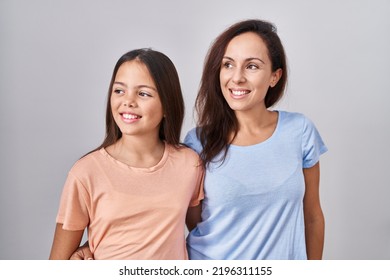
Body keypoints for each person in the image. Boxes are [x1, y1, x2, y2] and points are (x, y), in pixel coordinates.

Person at [183, 19, 327, 260]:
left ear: (274, 76)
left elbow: (312, 216)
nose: (237, 77)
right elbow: (193, 221)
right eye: (228, 64)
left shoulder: (300, 131)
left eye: (252, 66)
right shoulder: (198, 142)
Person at [49, 48, 204, 260]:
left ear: (167, 104)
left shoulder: (189, 164)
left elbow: (205, 234)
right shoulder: (86, 173)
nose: (128, 101)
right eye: (119, 91)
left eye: (143, 93)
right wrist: (91, 245)